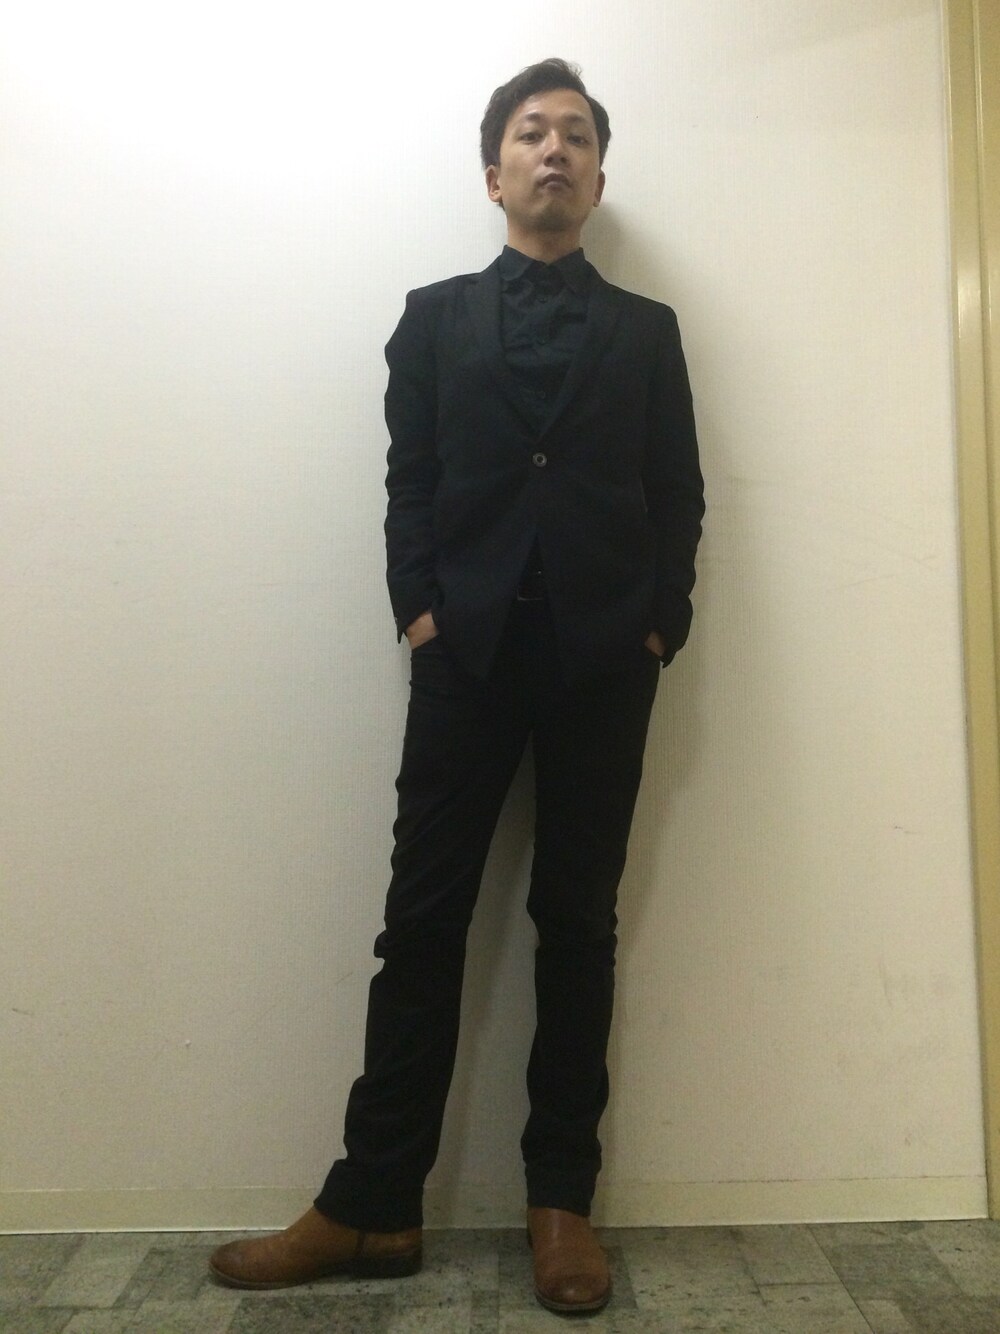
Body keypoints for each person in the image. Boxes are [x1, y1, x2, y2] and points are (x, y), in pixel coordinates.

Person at [209, 57, 703, 1316]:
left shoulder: (647, 333)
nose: (555, 150)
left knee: (577, 927)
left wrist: (660, 622)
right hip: (466, 659)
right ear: (493, 173)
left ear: (598, 177)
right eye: (532, 133)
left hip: (603, 661)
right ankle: (373, 1200)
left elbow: (677, 489)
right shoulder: (431, 320)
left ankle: (560, 1204)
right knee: (420, 923)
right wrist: (419, 611)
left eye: (576, 135)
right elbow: (411, 480)